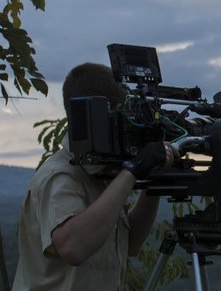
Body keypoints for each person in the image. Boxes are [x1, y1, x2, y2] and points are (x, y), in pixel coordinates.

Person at [12, 63, 173, 291]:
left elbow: (131, 244)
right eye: (123, 116)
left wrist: (152, 181)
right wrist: (132, 171)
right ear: (99, 115)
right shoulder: (61, 176)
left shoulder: (100, 174)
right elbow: (73, 247)